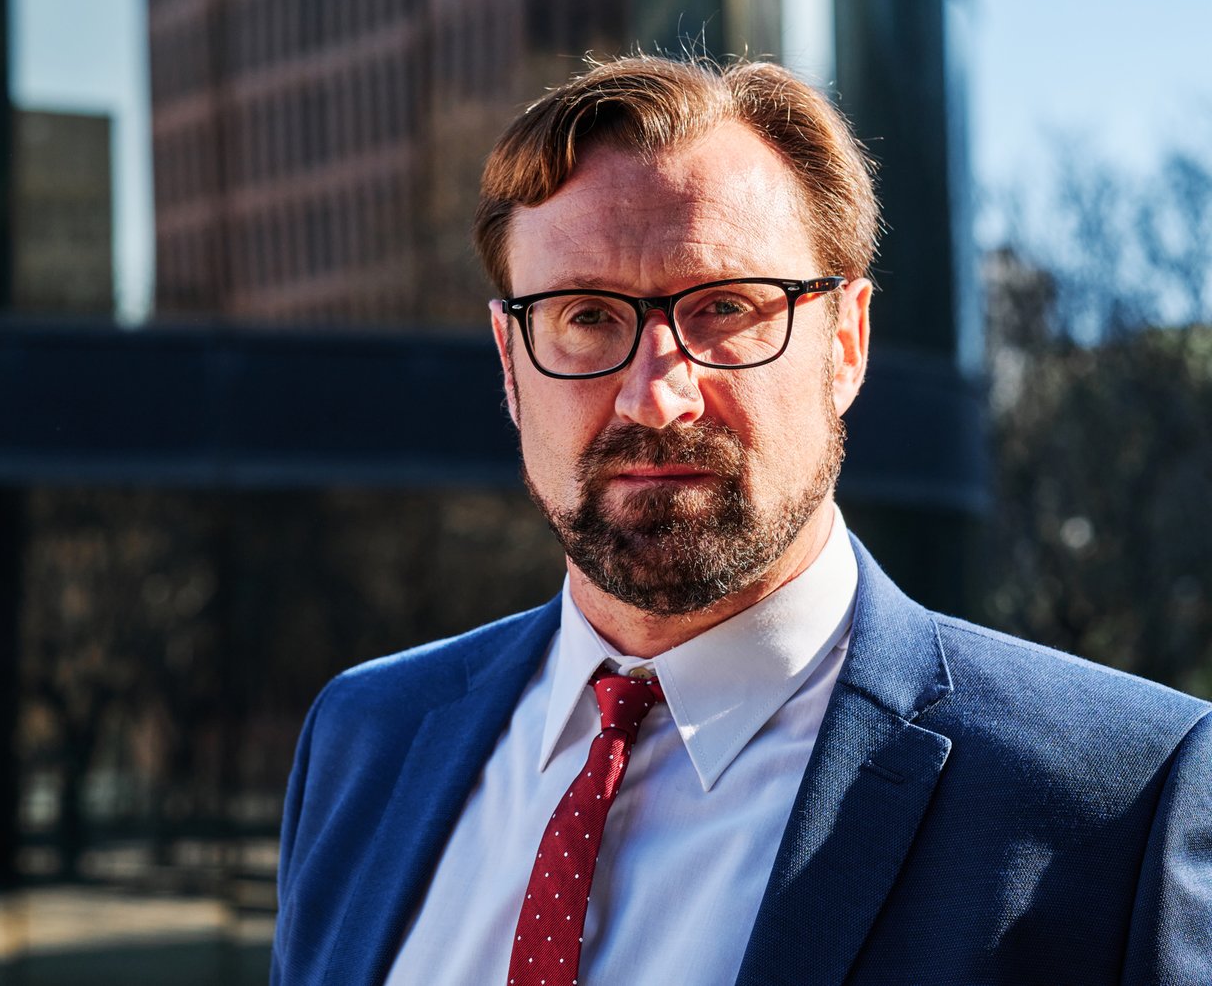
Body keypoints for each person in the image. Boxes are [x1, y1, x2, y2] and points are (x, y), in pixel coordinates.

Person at [270, 56, 1212, 985]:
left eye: (724, 307)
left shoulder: (1116, 803)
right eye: (586, 315)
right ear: (511, 365)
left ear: (846, 343)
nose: (655, 395)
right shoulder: (366, 735)